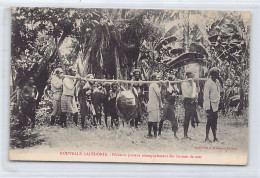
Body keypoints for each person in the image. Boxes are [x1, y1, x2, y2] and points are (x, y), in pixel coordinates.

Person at [204, 67, 221, 142]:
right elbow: (206, 97)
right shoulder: (208, 83)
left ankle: (215, 137)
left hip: (216, 105)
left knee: (214, 121)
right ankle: (207, 137)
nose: (218, 75)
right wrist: (208, 108)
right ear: (213, 74)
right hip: (210, 105)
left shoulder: (217, 82)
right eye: (217, 73)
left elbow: (218, 92)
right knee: (209, 121)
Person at [181, 71, 198, 139]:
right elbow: (189, 94)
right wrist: (191, 85)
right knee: (187, 118)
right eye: (191, 74)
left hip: (193, 101)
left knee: (192, 117)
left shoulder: (193, 83)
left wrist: (197, 84)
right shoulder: (184, 84)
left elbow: (196, 92)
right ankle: (185, 135)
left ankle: (188, 132)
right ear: (188, 75)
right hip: (187, 100)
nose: (193, 75)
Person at [147, 72, 163, 138]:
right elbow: (158, 94)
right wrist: (160, 104)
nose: (159, 78)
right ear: (154, 78)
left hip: (151, 103)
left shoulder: (152, 84)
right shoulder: (154, 84)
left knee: (151, 119)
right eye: (158, 77)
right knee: (154, 120)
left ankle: (149, 133)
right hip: (154, 104)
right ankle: (155, 135)